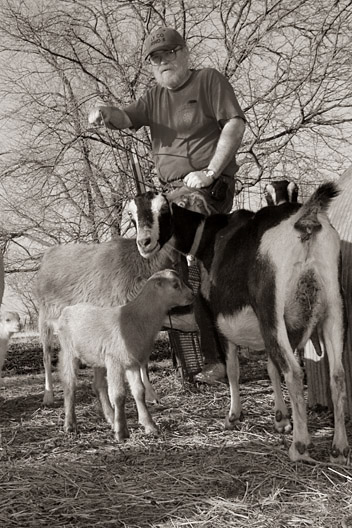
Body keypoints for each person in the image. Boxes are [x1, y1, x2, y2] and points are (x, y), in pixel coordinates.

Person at [88, 26, 246, 383]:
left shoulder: (208, 81)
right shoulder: (154, 97)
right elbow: (126, 117)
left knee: (178, 247)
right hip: (170, 194)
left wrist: (210, 171)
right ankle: (173, 319)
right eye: (156, 58)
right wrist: (104, 113)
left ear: (184, 52)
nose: (163, 62)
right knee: (160, 262)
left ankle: (216, 354)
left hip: (206, 187)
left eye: (169, 53)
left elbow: (234, 124)